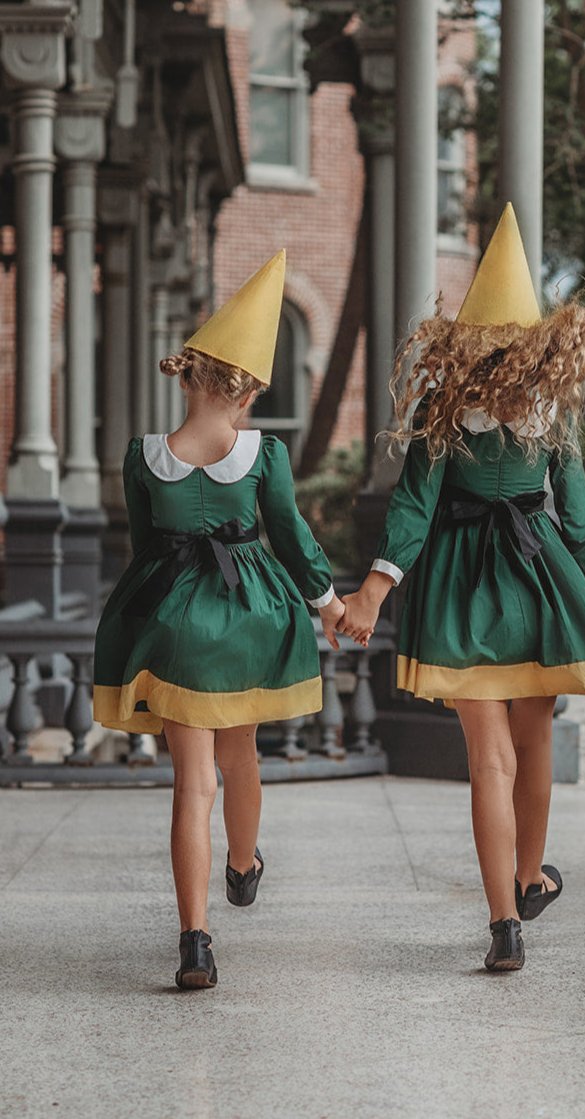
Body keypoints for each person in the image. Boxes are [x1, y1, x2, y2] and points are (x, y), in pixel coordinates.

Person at [338, 205, 585, 972]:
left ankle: (504, 921)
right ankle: (528, 873)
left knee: (489, 760)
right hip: (541, 588)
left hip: (457, 589)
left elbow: (412, 511)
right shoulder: (551, 417)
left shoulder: (440, 411)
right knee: (536, 740)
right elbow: (579, 525)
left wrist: (374, 595)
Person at [93, 251, 345, 989]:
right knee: (243, 757)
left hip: (172, 624)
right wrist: (329, 604)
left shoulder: (142, 458)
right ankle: (243, 862)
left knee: (189, 782)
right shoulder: (264, 454)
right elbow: (293, 539)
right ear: (245, 391)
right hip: (247, 622)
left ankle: (195, 941)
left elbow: (145, 551)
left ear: (190, 375)